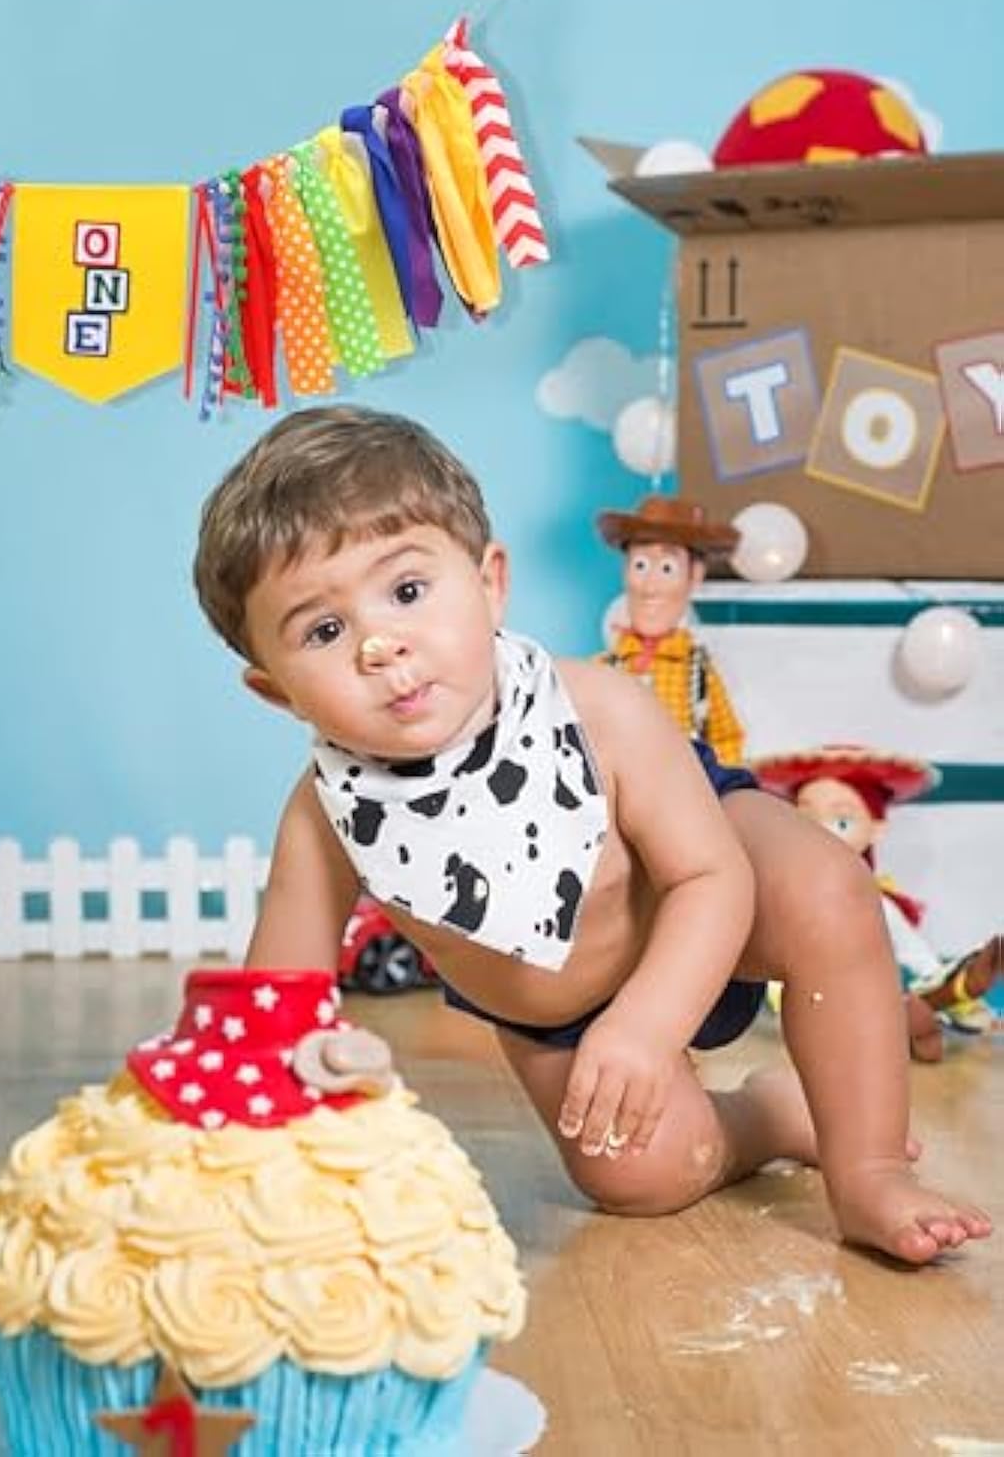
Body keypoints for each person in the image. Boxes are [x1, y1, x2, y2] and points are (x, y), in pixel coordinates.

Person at [192, 405, 991, 1266]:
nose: (382, 645)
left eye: (408, 591)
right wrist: (250, 1160)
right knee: (641, 1177)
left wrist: (649, 1024)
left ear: (490, 582)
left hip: (700, 889)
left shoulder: (597, 708)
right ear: (277, 691)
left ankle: (869, 1166)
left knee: (824, 887)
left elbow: (711, 878)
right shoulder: (327, 819)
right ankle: (768, 1115)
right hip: (563, 1015)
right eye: (324, 630)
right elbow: (277, 1004)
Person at [753, 743, 1003, 1059]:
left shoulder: (873, 902)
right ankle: (934, 1003)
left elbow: (914, 953)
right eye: (805, 820)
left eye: (841, 822)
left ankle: (943, 996)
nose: (820, 834)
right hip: (796, 1000)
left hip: (851, 997)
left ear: (877, 827)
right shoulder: (784, 892)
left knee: (869, 1008)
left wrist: (934, 978)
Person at [596, 494, 746, 766]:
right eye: (640, 565)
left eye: (667, 568)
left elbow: (728, 741)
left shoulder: (698, 673)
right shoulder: (602, 670)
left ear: (695, 576)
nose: (650, 585)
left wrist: (713, 785)